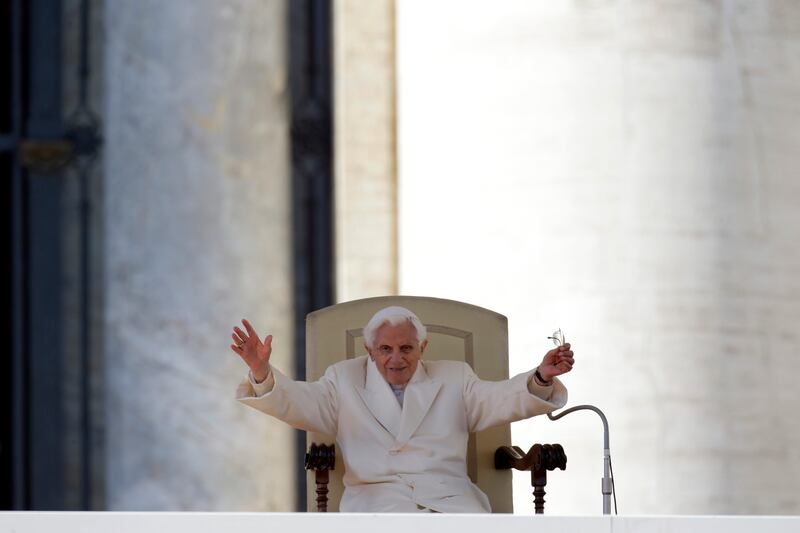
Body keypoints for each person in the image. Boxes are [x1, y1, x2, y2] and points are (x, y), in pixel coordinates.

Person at [231, 306, 574, 513]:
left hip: (451, 502)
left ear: (423, 346)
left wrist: (543, 376)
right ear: (369, 348)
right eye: (385, 348)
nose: (396, 358)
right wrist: (261, 371)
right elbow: (297, 402)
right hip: (377, 504)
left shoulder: (454, 377)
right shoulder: (343, 379)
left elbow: (500, 398)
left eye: (406, 347)